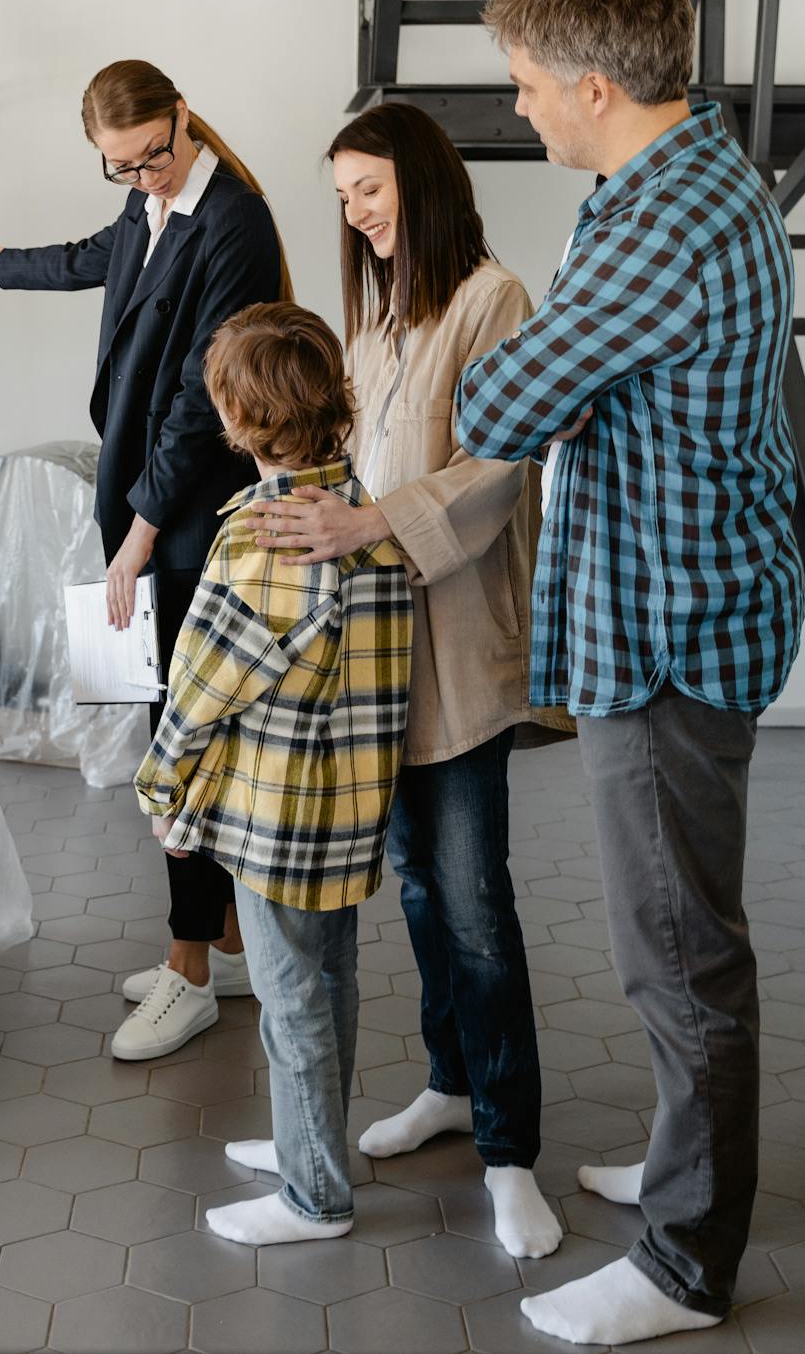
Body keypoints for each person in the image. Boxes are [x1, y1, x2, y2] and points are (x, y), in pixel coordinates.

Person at [456, 0, 804, 1348]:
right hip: (670, 605)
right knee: (681, 942)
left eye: (529, 83)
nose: (520, 106)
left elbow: (498, 403)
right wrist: (570, 388)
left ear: (595, 83)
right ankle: (683, 1171)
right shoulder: (663, 180)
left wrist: (554, 387)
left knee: (681, 956)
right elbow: (561, 389)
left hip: (665, 633)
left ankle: (683, 1264)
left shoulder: (663, 224)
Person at [247, 103, 563, 1261]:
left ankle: (510, 1152)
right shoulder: (377, 319)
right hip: (379, 661)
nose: (356, 213)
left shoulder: (495, 301)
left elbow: (496, 469)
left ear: (421, 182)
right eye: (342, 197)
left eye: (369, 189)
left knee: (477, 908)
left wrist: (368, 521)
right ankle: (445, 1084)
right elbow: (352, 462)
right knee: (422, 890)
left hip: (461, 651)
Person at [0, 61, 289, 1060]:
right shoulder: (153, 207)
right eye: (121, 167)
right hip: (135, 498)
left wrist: (139, 534)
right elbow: (98, 252)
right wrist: (3, 264)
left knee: (178, 741)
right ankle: (221, 944)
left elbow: (199, 401)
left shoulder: (235, 226)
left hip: (177, 512)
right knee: (151, 720)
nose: (141, 177)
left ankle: (187, 970)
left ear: (184, 118)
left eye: (152, 156)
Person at [134, 302, 413, 1246]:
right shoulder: (362, 517)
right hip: (351, 808)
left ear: (238, 423)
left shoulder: (261, 538)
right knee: (331, 980)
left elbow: (203, 686)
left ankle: (314, 1197)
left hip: (275, 818)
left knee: (291, 1000)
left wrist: (161, 790)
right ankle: (311, 1145)